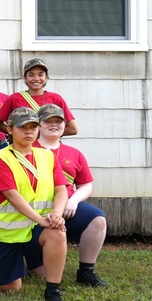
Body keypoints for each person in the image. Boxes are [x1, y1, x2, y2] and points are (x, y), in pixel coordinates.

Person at [0, 107, 69, 301]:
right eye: (23, 127)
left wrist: (56, 215)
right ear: (10, 130)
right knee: (10, 287)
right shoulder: (0, 158)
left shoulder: (47, 156)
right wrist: (41, 220)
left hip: (35, 228)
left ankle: (53, 290)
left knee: (57, 232)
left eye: (33, 127)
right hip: (7, 232)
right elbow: (12, 195)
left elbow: (61, 189)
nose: (29, 131)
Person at [36, 104, 108, 288]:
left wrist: (73, 201)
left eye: (58, 122)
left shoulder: (74, 154)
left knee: (98, 220)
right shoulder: (28, 148)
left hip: (67, 206)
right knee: (39, 273)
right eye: (48, 121)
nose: (54, 125)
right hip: (35, 210)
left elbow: (85, 185)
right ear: (39, 125)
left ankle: (86, 271)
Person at [0, 58, 78, 137]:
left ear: (46, 77)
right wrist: (17, 133)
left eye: (40, 75)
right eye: (31, 75)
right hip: (22, 147)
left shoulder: (56, 98)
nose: (36, 79)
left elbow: (72, 129)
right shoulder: (14, 98)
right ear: (25, 78)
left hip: (48, 148)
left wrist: (48, 134)